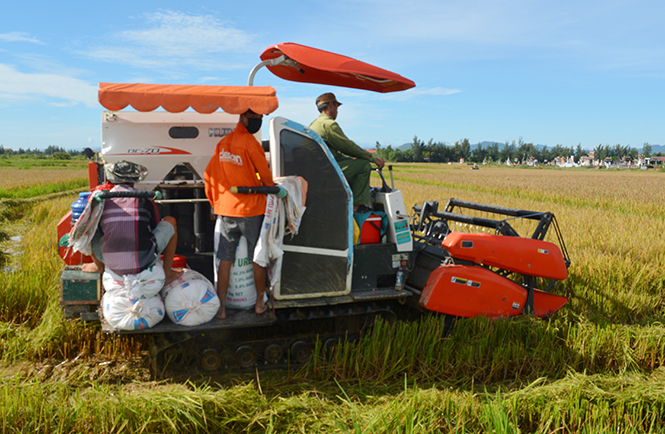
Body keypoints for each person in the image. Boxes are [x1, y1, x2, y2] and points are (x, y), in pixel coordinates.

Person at [204, 109, 276, 319]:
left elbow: (209, 175)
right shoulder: (251, 143)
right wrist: (270, 186)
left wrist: (214, 202)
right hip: (251, 209)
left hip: (226, 209)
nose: (257, 122)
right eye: (254, 119)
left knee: (225, 259)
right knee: (258, 257)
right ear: (242, 118)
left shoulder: (224, 143)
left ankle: (222, 308)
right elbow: (265, 176)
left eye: (260, 119)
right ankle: (259, 304)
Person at [81, 161, 183, 285]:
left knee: (88, 229)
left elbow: (100, 230)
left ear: (111, 180)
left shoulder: (102, 200)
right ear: (134, 180)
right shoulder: (145, 198)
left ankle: (98, 266)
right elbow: (153, 227)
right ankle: (168, 274)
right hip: (144, 261)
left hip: (110, 262)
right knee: (170, 221)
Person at [309, 92, 385, 211]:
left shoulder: (313, 125)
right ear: (330, 105)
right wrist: (373, 159)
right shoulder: (329, 125)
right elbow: (348, 147)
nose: (337, 111)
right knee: (363, 166)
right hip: (327, 172)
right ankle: (356, 208)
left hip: (317, 170)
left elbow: (334, 152)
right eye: (336, 107)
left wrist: (350, 159)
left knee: (353, 162)